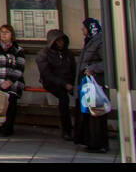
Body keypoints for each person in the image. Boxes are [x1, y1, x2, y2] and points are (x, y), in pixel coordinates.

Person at [75, 18, 109, 153]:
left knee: (96, 112)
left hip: (96, 83)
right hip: (88, 83)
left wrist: (92, 68)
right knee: (89, 112)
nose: (82, 30)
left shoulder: (99, 41)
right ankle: (91, 142)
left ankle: (99, 143)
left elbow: (107, 62)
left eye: (84, 27)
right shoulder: (91, 40)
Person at [36, 27, 76, 141]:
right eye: (58, 41)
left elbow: (74, 70)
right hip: (51, 82)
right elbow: (47, 74)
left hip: (67, 81)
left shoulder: (68, 54)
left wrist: (72, 83)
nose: (61, 43)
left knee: (81, 96)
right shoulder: (43, 55)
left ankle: (82, 128)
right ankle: (66, 130)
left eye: (62, 40)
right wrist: (65, 84)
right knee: (64, 98)